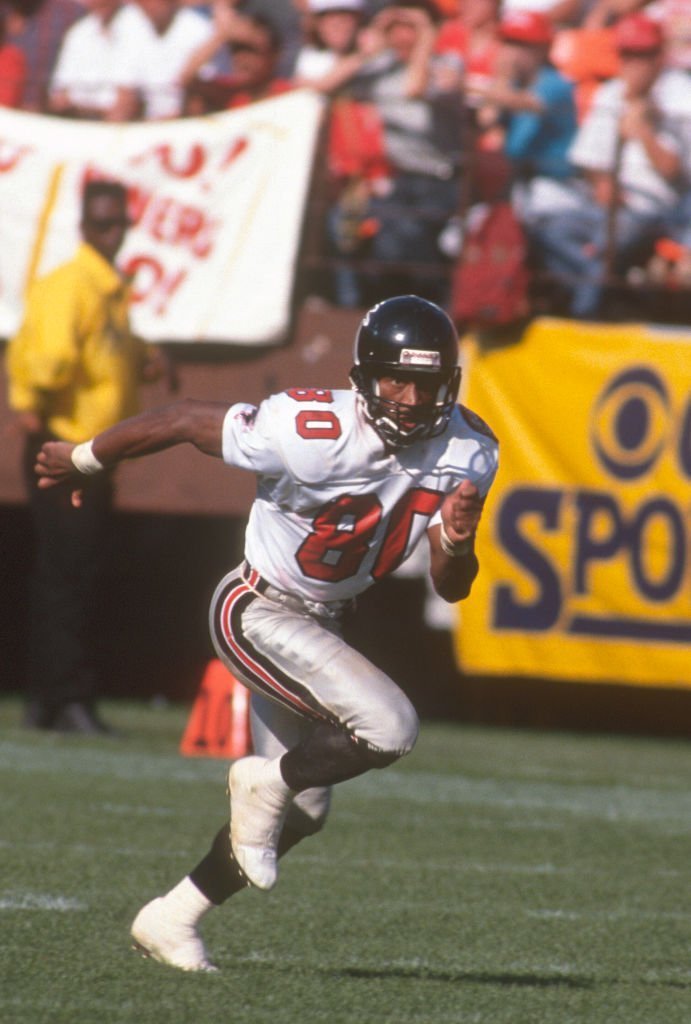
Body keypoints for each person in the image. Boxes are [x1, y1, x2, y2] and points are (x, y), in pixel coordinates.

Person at [34, 293, 499, 971]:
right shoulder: (308, 428)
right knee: (389, 726)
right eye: (394, 378)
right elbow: (183, 420)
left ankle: (172, 917)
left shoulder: (468, 449)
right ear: (365, 376)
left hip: (326, 621)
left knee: (306, 810)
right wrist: (83, 459)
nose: (406, 397)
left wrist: (456, 544)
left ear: (448, 383)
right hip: (257, 609)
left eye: (423, 381)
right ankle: (265, 782)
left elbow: (451, 584)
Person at [6, 180, 168, 734]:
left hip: (90, 452)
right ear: (84, 228)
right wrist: (34, 401)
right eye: (101, 224)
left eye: (117, 223)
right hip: (67, 447)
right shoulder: (76, 284)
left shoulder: (107, 288)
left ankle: (50, 697)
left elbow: (104, 351)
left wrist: (144, 359)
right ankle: (66, 696)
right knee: (67, 574)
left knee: (68, 572)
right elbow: (49, 356)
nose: (111, 234)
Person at [46, 0, 146, 120]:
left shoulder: (137, 25)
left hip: (118, 128)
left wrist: (81, 106)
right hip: (77, 123)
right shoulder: (79, 32)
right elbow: (59, 99)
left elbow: (125, 103)